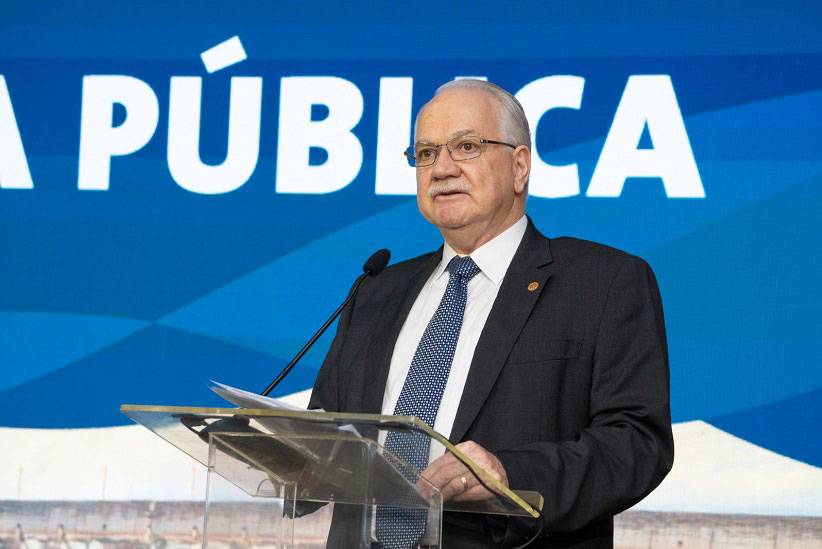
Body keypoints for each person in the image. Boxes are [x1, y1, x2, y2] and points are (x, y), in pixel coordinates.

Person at [310, 79, 673, 548]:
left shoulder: (603, 283)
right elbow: (324, 433)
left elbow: (637, 444)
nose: (441, 168)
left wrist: (509, 473)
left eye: (466, 146)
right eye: (424, 153)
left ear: (520, 166)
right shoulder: (376, 290)